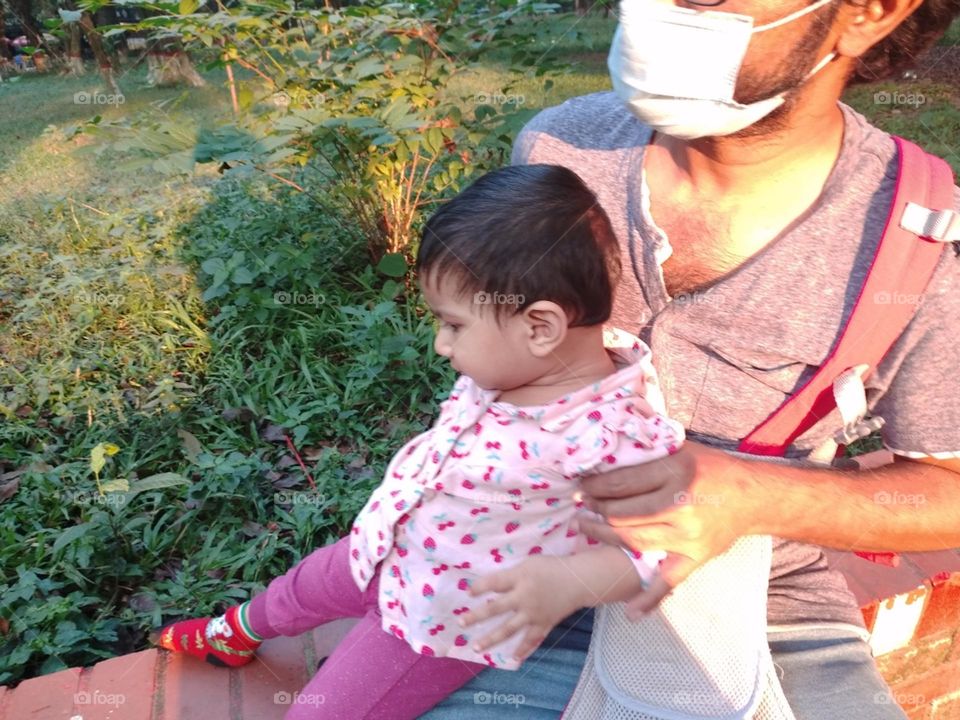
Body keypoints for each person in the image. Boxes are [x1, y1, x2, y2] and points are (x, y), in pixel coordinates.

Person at [419, 1, 960, 718]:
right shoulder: (560, 150)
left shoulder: (919, 244)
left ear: (868, 14)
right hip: (527, 556)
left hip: (769, 603)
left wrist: (749, 496)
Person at [154, 164, 689, 719]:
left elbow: (656, 546)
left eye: (453, 325)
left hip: (435, 615)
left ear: (540, 327)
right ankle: (234, 632)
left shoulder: (611, 433)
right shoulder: (522, 367)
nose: (440, 344)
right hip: (389, 539)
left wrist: (566, 582)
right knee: (303, 586)